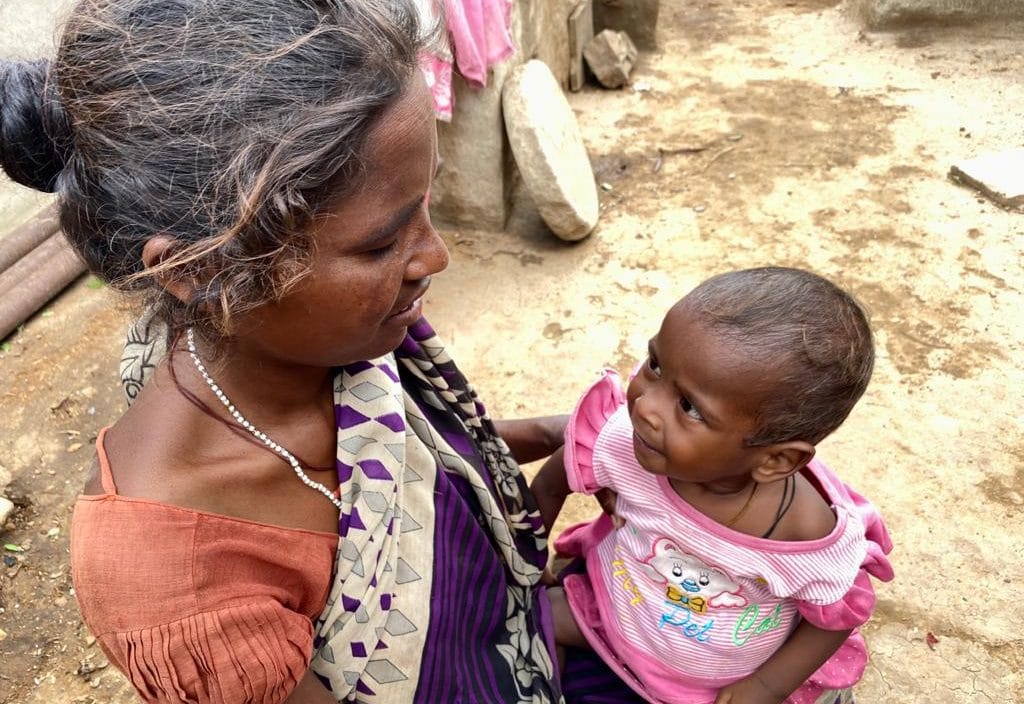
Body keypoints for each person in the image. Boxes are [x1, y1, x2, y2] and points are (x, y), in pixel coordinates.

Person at [0, 1, 640, 702]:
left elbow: (421, 459)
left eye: (425, 205)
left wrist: (565, 438)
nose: (437, 255)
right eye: (378, 244)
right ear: (198, 271)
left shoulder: (327, 341)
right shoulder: (178, 577)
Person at [530, 267, 894, 704]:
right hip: (611, 611)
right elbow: (551, 484)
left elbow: (832, 618)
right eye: (656, 364)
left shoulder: (805, 533)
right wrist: (529, 569)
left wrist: (763, 687)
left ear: (776, 460)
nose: (645, 405)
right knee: (525, 621)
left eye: (689, 407)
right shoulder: (625, 444)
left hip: (720, 677)